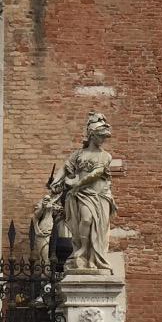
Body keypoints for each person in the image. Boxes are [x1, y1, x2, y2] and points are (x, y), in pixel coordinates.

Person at [58, 112, 116, 273]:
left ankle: (94, 258)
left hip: (100, 195)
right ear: (91, 135)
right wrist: (57, 181)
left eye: (104, 137)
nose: (103, 140)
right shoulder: (78, 154)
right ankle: (82, 250)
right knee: (86, 219)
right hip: (83, 194)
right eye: (100, 136)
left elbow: (96, 174)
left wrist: (75, 183)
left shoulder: (106, 156)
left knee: (99, 228)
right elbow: (65, 167)